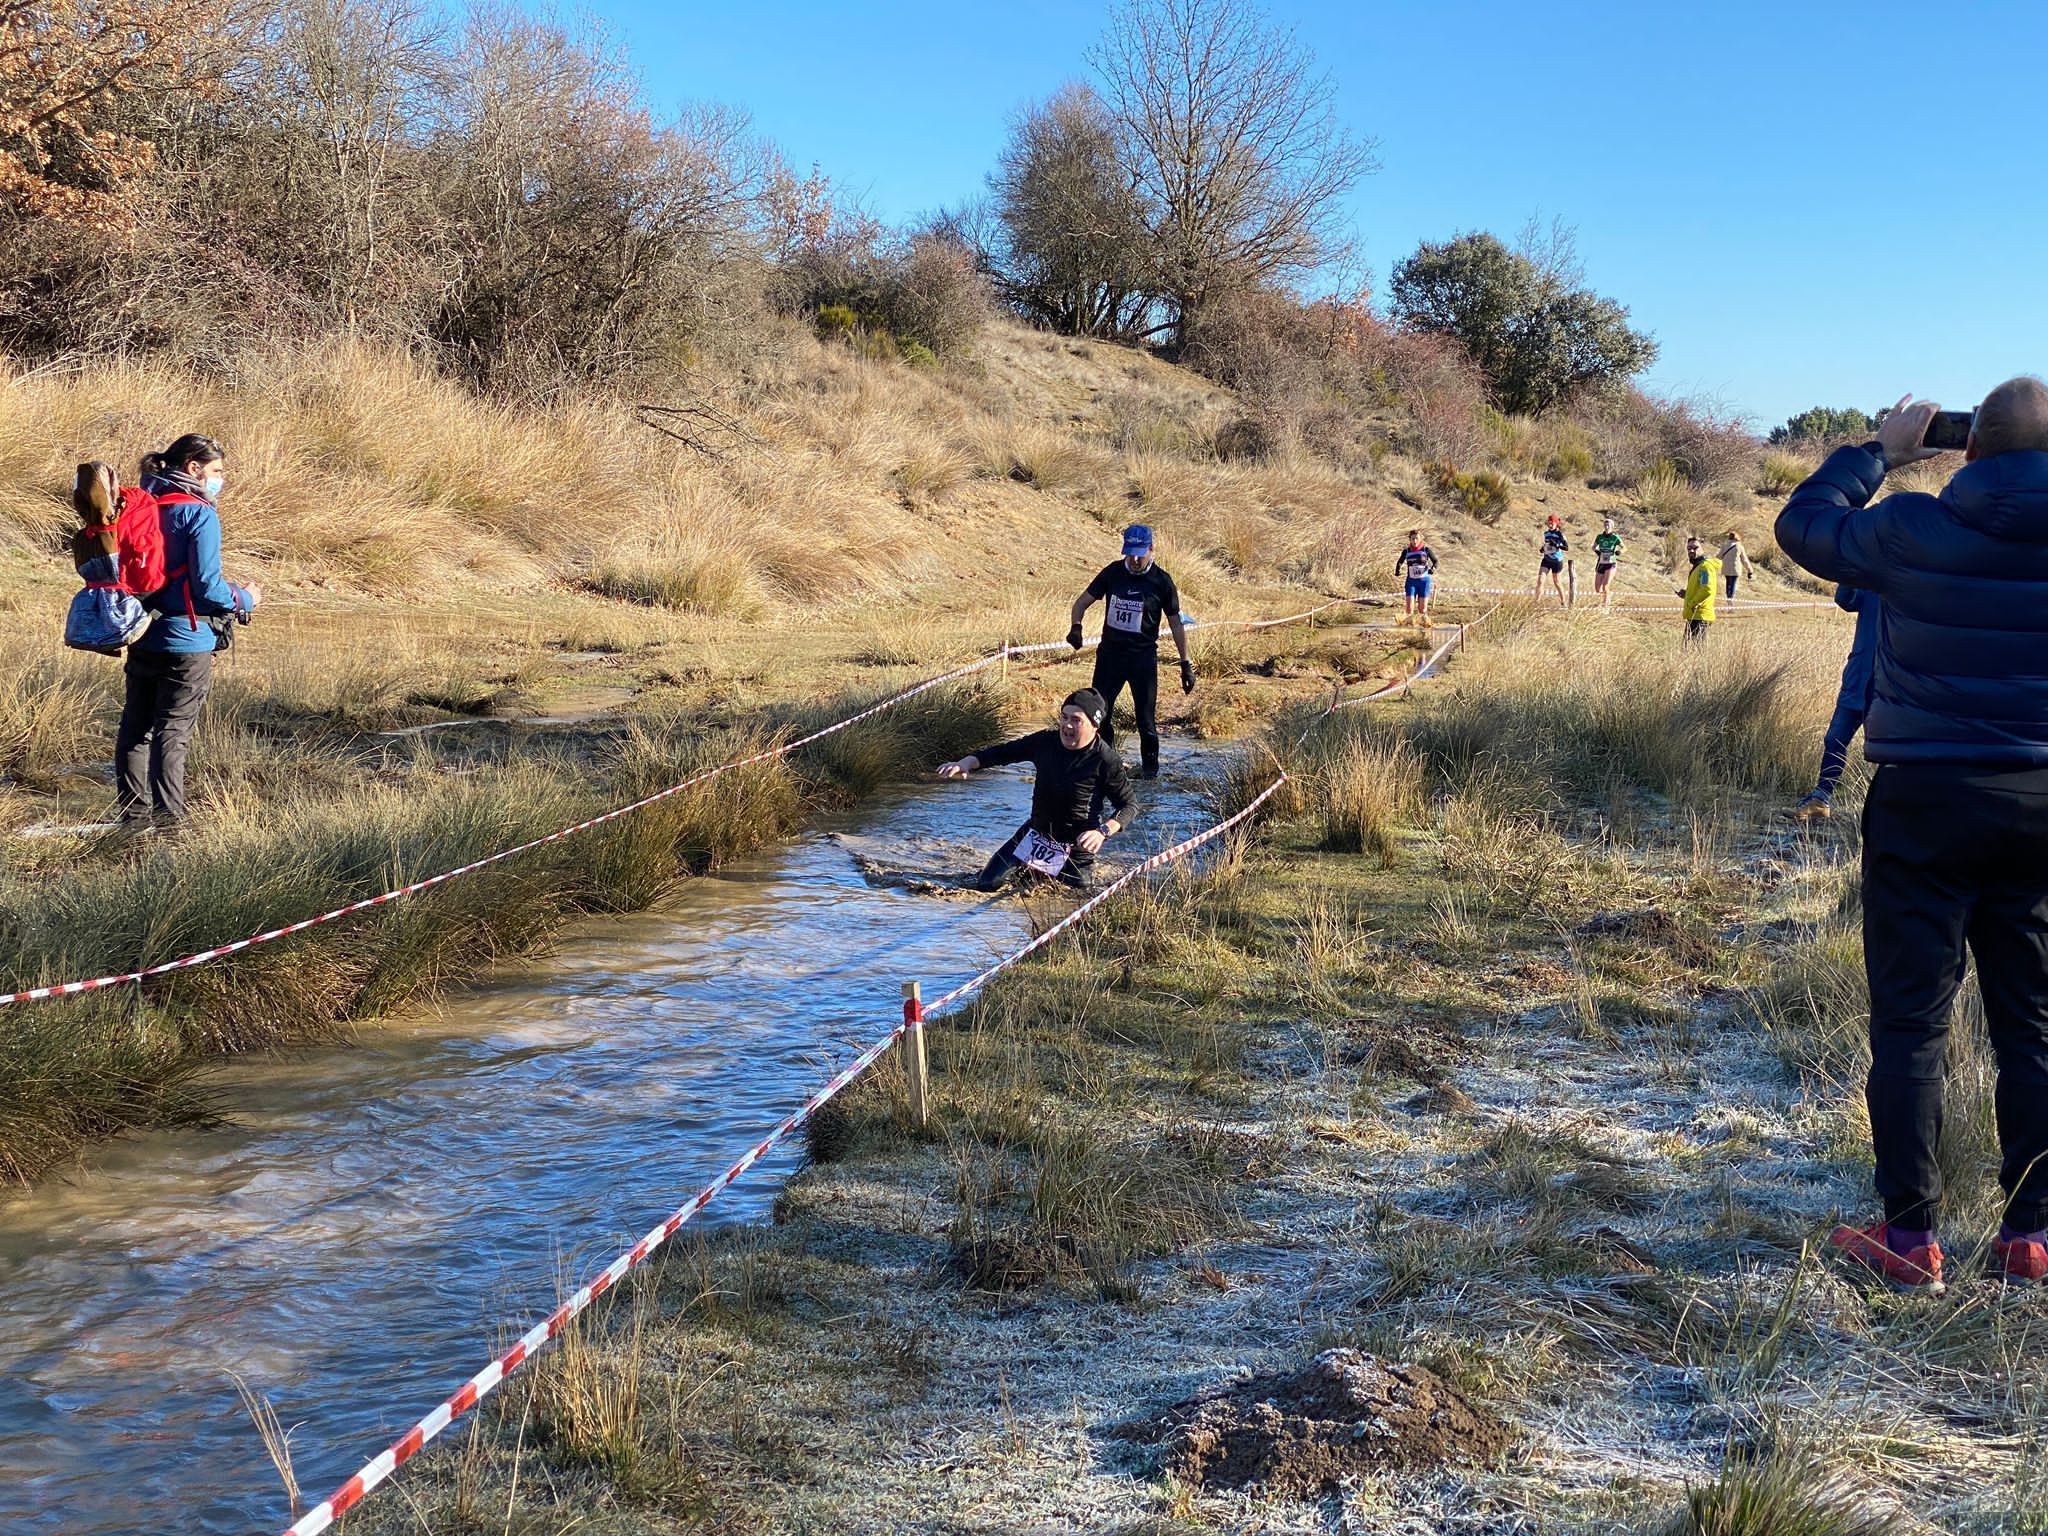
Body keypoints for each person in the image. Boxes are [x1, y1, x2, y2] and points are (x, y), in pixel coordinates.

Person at [1776, 379, 2048, 1291]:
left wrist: (1880, 454)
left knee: (1911, 1023)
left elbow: (1804, 528)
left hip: (1924, 797)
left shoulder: (1910, 529)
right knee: (2034, 1026)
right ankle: (2029, 1237)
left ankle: (1910, 1239)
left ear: (1966, 451)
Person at [114, 433, 260, 830]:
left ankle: (133, 821)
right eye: (216, 472)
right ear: (192, 468)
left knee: (135, 729)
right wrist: (244, 599)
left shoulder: (143, 506)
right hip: (188, 639)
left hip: (142, 631)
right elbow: (207, 586)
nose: (220, 480)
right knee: (172, 732)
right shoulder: (200, 513)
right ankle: (170, 824)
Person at [936, 688, 1135, 892]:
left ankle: (1042, 873)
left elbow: (1128, 805)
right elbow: (1004, 752)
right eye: (1064, 717)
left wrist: (1102, 832)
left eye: (1076, 720)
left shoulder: (1106, 760)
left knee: (1076, 896)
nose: (1066, 725)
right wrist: (967, 762)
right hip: (1037, 834)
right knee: (987, 884)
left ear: (1095, 726)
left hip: (1076, 846)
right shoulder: (1045, 742)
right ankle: (1032, 871)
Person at [1067, 524, 1193, 779]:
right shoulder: (1113, 573)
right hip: (1110, 658)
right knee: (1100, 716)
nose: (1135, 559)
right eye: (1130, 553)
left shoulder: (1161, 581)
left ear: (1151, 549)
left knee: (1145, 721)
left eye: (1140, 553)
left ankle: (1150, 776)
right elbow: (1081, 602)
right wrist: (1076, 628)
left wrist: (1185, 663)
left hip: (1142, 660)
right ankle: (1108, 767)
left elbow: (1176, 624)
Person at [1788, 585, 1880, 822]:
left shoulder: (1909, 587)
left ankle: (1882, 809)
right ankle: (1821, 798)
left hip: (1888, 689)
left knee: (1882, 751)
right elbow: (1845, 599)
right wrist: (1850, 569)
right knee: (1834, 740)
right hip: (1857, 681)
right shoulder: (1870, 586)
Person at [1678, 535, 1718, 644]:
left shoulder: (1705, 567)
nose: (1691, 550)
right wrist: (1687, 594)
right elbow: (1701, 588)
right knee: (1688, 649)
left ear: (1703, 548)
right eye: (1689, 548)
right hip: (1694, 614)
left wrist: (1692, 603)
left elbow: (1706, 589)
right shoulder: (1699, 566)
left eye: (1695, 548)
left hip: (1700, 615)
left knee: (1695, 650)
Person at [1394, 529, 1438, 624]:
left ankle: (1424, 630)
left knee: (1422, 609)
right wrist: (1397, 570)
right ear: (1409, 539)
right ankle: (1409, 628)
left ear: (1420, 539)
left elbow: (1436, 561)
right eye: (1412, 539)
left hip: (1424, 582)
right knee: (1409, 608)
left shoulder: (1426, 550)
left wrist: (1432, 569)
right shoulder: (1406, 551)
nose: (1414, 541)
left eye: (1416, 539)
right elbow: (1400, 562)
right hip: (1411, 582)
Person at [1592, 516, 1625, 607]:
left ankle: (1605, 605)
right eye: (1605, 523)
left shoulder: (1615, 537)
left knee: (1605, 586)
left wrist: (1620, 552)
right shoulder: (1599, 537)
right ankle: (1605, 599)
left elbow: (1625, 547)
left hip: (1611, 563)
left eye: (1608, 524)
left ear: (1612, 526)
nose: (1606, 525)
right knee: (1597, 588)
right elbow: (1593, 547)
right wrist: (1597, 551)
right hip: (1601, 562)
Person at [1535, 515, 1569, 604]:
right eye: (1549, 523)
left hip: (1557, 561)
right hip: (1546, 559)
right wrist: (1543, 548)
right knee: (1540, 580)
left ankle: (1563, 601)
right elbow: (1547, 543)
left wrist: (1557, 545)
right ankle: (1536, 602)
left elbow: (1566, 547)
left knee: (1557, 582)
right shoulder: (1546, 533)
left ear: (1556, 524)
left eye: (1552, 523)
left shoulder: (1560, 534)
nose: (1550, 525)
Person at [1720, 530, 1756, 600]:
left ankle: (1728, 597)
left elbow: (1719, 556)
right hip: (1735, 569)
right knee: (1733, 584)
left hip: (1726, 568)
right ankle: (1731, 599)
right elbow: (1744, 560)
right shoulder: (1739, 547)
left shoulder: (1724, 546)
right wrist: (1750, 570)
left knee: (1728, 583)